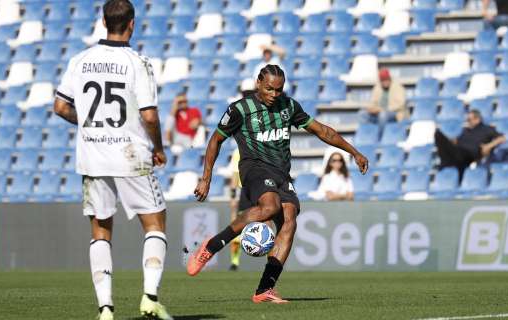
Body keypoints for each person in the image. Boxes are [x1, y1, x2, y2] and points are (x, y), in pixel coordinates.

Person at [187, 65, 369, 303]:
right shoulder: (240, 109)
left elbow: (322, 131)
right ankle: (212, 245)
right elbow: (216, 139)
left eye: (279, 90)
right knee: (270, 206)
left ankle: (265, 289)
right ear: (258, 84)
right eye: (269, 89)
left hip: (282, 173)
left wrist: (354, 152)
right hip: (253, 167)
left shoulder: (289, 106)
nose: (274, 94)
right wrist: (206, 178)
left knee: (290, 220)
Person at [52, 1, 172, 319]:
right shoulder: (138, 62)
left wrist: (90, 125)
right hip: (130, 154)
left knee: (101, 230)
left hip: (92, 157)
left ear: (103, 21)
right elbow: (149, 114)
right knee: (155, 223)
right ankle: (149, 297)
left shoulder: (81, 60)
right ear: (132, 24)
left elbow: (61, 108)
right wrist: (158, 147)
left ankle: (105, 308)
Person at [434, 110, 506, 178]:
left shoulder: (487, 129)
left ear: (477, 119)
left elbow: (502, 138)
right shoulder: (465, 130)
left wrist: (488, 146)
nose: (467, 121)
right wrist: (450, 141)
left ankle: (445, 165)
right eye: (467, 120)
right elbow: (456, 142)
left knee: (439, 136)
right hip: (457, 153)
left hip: (468, 155)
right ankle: (445, 165)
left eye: (469, 119)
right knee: (438, 136)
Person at [228, 148, 242, 271]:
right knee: (236, 226)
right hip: (243, 192)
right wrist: (233, 196)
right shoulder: (238, 152)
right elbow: (235, 174)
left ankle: (270, 261)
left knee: (266, 224)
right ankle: (234, 261)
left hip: (259, 189)